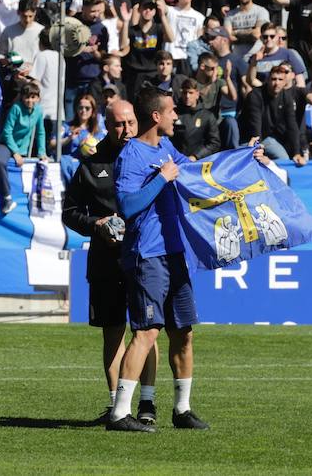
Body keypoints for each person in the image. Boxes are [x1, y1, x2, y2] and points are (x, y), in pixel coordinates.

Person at [107, 84, 207, 433]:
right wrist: (162, 179)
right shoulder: (130, 155)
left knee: (184, 333)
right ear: (156, 116)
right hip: (147, 254)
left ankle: (182, 409)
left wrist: (243, 155)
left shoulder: (166, 147)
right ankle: (120, 413)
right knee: (147, 332)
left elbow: (196, 172)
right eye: (171, 111)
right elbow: (128, 206)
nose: (176, 116)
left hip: (175, 251)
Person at [62, 99, 159, 425]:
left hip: (145, 257)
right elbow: (69, 212)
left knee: (148, 331)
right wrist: (96, 225)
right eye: (119, 124)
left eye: (131, 122)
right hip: (105, 260)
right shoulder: (90, 165)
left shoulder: (151, 155)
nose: (127, 130)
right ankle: (119, 406)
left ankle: (147, 404)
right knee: (113, 333)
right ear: (107, 125)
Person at [0, 82, 48, 215]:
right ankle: (7, 198)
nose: (30, 100)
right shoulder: (16, 108)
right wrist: (15, 152)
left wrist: (41, 152)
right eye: (27, 97)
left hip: (22, 149)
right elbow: (7, 132)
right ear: (22, 97)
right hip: (5, 144)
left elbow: (40, 132)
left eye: (33, 97)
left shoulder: (39, 110)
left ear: (38, 98)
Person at [171, 78, 220, 160]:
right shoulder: (174, 113)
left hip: (199, 162)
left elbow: (214, 143)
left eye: (190, 93)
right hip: (176, 160)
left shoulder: (207, 116)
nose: (187, 96)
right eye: (184, 92)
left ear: (197, 94)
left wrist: (196, 156)